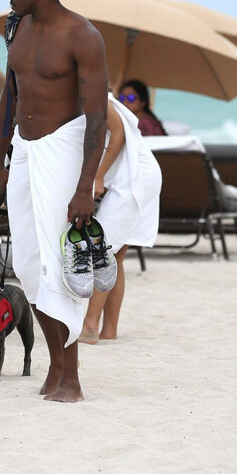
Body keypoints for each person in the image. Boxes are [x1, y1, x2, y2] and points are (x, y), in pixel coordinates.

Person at [0, 0, 109, 404]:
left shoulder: (83, 36)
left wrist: (85, 187)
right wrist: (1, 152)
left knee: (61, 263)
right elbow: (11, 91)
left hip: (62, 149)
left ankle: (72, 376)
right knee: (28, 263)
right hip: (24, 149)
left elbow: (97, 117)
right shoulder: (16, 27)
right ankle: (56, 364)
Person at [79, 94, 162, 344]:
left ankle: (90, 325)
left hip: (135, 177)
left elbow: (119, 134)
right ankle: (109, 329)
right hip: (132, 176)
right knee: (115, 254)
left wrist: (99, 176)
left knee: (103, 248)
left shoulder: (96, 96)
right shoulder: (73, 97)